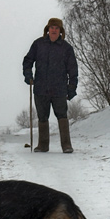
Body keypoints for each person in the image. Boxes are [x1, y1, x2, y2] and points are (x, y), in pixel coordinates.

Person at [22, 17, 78, 153]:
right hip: (41, 87)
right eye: (51, 28)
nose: (54, 30)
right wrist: (28, 74)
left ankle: (66, 145)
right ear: (47, 29)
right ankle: (43, 145)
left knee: (62, 116)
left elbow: (73, 69)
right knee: (42, 116)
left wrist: (72, 87)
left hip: (59, 88)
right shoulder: (38, 44)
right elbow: (28, 60)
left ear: (60, 31)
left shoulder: (66, 48)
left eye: (56, 28)